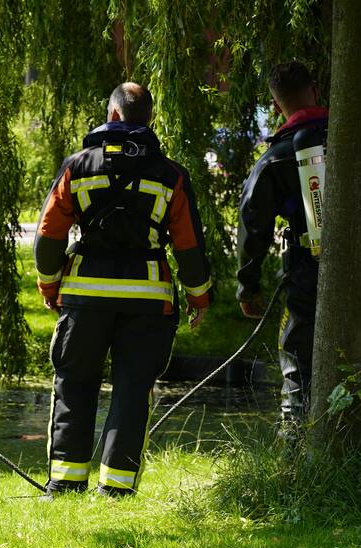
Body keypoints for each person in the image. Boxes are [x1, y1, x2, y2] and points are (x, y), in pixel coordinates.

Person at [34, 82, 213, 497]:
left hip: (84, 295)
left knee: (75, 383)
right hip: (147, 301)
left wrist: (49, 285)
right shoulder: (171, 175)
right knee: (133, 390)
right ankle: (115, 488)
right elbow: (188, 246)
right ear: (146, 119)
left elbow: (48, 237)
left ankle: (64, 482)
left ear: (113, 116)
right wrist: (199, 298)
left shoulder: (77, 167)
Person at [237, 61, 327, 435]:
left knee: (298, 358)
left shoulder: (276, 159)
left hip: (308, 268)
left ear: (276, 106)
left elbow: (252, 224)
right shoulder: (348, 138)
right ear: (316, 91)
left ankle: (295, 445)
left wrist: (248, 286)